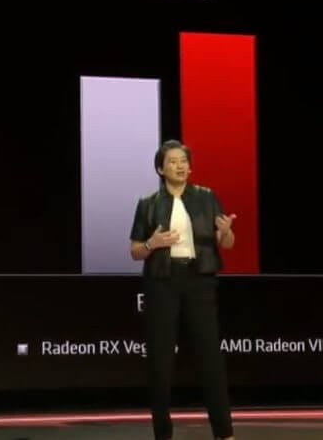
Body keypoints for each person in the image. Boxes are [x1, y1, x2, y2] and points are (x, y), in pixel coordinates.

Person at [129, 139, 237, 440]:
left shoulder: (206, 197)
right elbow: (135, 251)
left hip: (199, 280)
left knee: (210, 357)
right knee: (160, 361)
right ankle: (163, 434)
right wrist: (152, 244)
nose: (180, 166)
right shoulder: (148, 203)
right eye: (173, 161)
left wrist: (226, 232)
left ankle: (224, 433)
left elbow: (226, 243)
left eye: (184, 161)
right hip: (162, 282)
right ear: (160, 169)